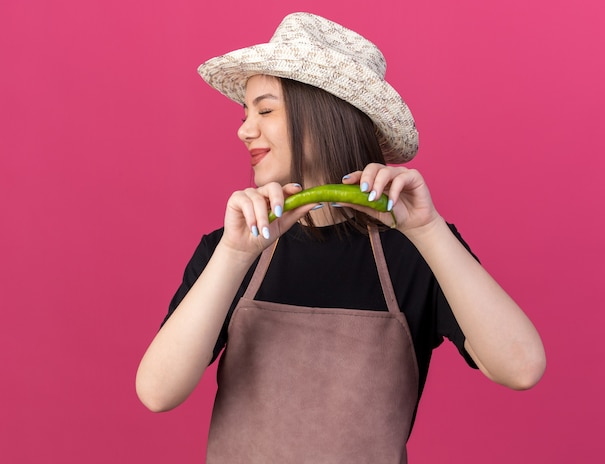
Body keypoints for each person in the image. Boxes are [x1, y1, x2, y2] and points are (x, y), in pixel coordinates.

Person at [136, 12, 546, 463]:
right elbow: (157, 393)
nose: (244, 129)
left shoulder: (416, 251)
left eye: (265, 110)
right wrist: (234, 255)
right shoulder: (230, 247)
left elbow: (521, 368)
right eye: (245, 112)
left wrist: (428, 232)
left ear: (323, 113)